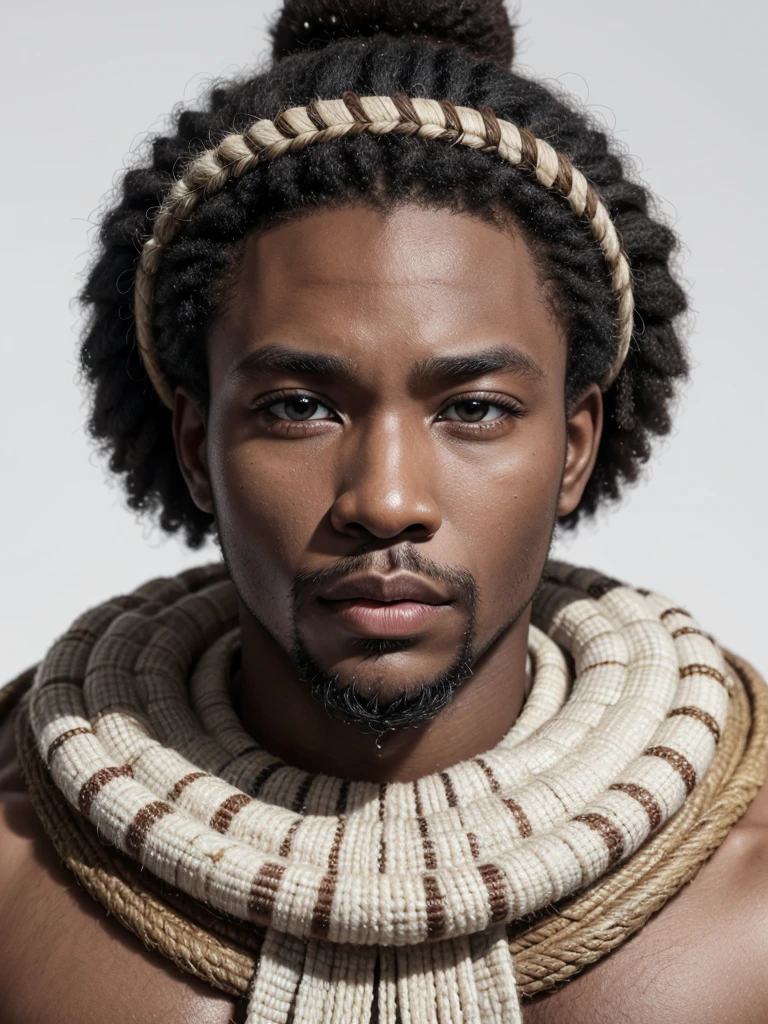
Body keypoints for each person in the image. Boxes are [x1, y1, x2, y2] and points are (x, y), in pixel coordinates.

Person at [1, 2, 766, 1022]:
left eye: (474, 410)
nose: (387, 501)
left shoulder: (748, 914)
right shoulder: (16, 886)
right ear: (195, 446)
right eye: (301, 407)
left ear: (574, 445)